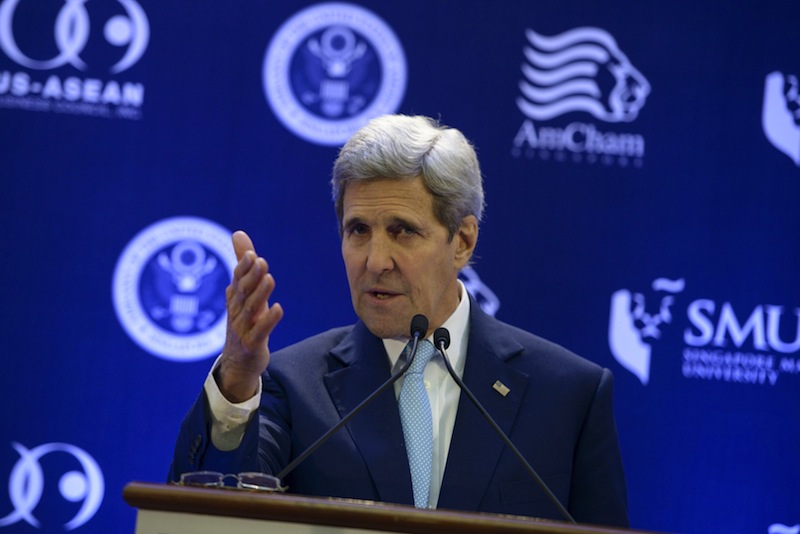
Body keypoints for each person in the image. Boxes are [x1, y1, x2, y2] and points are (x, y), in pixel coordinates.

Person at [169, 114, 629, 527]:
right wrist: (236, 380)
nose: (375, 261)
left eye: (402, 231)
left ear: (463, 241)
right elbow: (214, 513)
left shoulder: (568, 395)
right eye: (358, 230)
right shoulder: (291, 385)